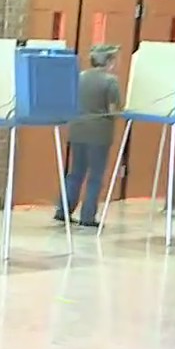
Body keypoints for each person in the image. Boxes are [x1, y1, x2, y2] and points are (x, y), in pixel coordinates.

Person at [56, 44, 122, 228]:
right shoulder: (111, 81)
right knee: (95, 176)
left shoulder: (80, 77)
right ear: (108, 61)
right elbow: (112, 110)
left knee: (75, 173)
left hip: (77, 130)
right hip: (99, 134)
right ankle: (87, 216)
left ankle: (63, 210)